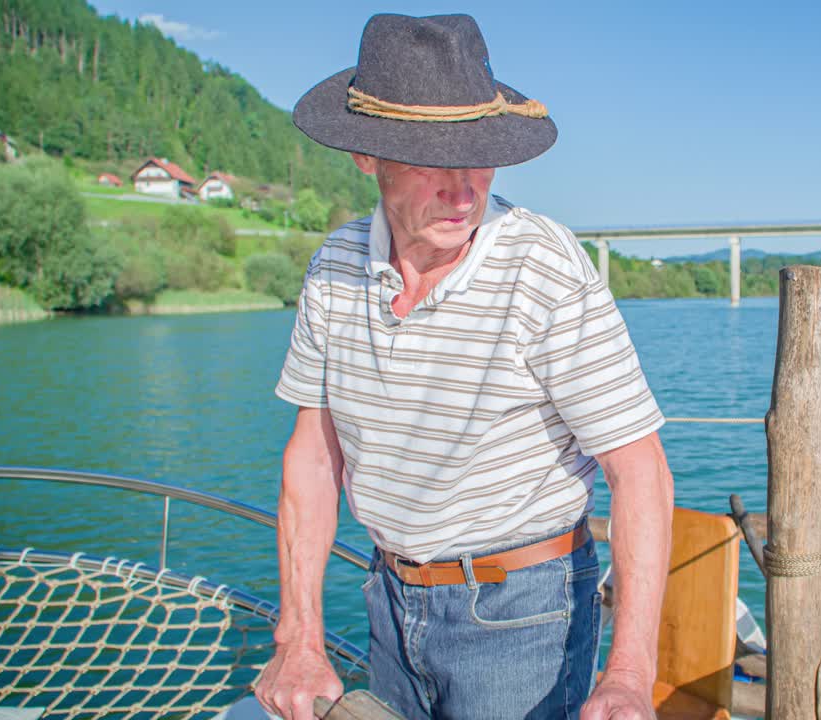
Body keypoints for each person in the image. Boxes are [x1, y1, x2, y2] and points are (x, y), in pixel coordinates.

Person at [254, 13, 674, 720]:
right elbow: (313, 458)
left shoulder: (542, 266)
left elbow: (640, 471)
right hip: (388, 595)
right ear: (365, 156)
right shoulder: (333, 267)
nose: (463, 190)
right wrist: (299, 634)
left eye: (478, 156)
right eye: (430, 159)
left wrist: (630, 672)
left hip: (523, 614)